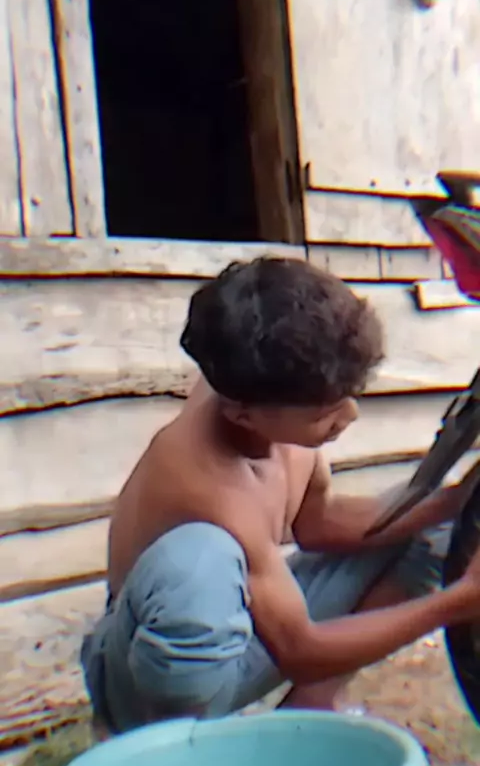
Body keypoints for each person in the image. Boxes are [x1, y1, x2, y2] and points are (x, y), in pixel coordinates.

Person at [81, 257, 480, 733]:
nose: (349, 416)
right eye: (323, 414)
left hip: (241, 630)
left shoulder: (265, 385)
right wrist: (459, 601)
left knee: (431, 524)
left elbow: (319, 525)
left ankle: (308, 708)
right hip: (146, 676)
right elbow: (300, 649)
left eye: (350, 396)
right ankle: (173, 746)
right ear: (243, 414)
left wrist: (453, 501)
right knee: (199, 561)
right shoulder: (209, 486)